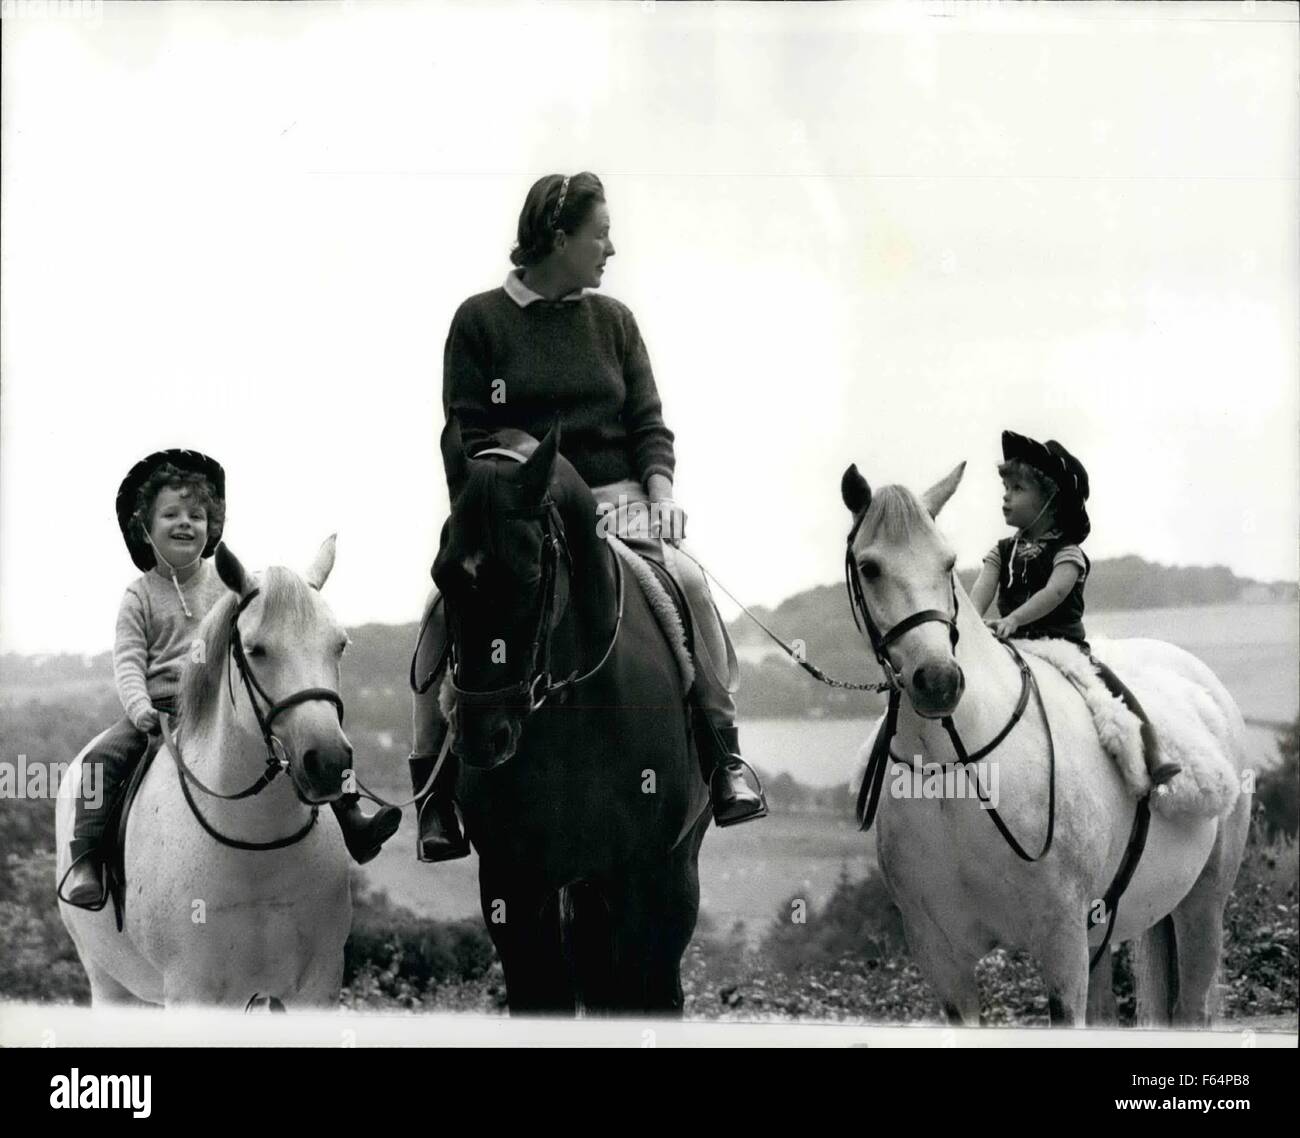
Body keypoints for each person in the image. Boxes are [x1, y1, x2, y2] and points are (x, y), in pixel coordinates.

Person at [409, 172, 767, 862]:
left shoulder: (614, 322)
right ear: (558, 236)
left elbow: (648, 425)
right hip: (516, 506)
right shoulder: (479, 321)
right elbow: (468, 431)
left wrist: (660, 499)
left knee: (689, 585)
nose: (612, 248)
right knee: (437, 613)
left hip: (619, 506)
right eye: (600, 233)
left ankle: (725, 758)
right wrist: (532, 473)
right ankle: (436, 790)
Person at [61, 450, 400, 909]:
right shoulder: (138, 597)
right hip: (160, 710)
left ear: (211, 526)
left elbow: (267, 619)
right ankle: (87, 859)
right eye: (171, 515)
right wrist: (139, 706)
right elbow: (128, 661)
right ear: (146, 527)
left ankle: (351, 816)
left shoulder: (229, 584)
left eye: (196, 515)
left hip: (220, 706)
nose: (186, 523)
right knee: (100, 760)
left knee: (307, 733)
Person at [969, 430, 1181, 788]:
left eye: (1017, 489)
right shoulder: (1002, 552)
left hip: (1060, 645)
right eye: (1005, 488)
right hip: (1010, 643)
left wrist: (1013, 619)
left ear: (1050, 502)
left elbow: (1054, 593)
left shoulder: (1067, 553)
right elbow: (982, 589)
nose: (1006, 497)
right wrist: (970, 622)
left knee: (1107, 687)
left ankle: (1151, 748)